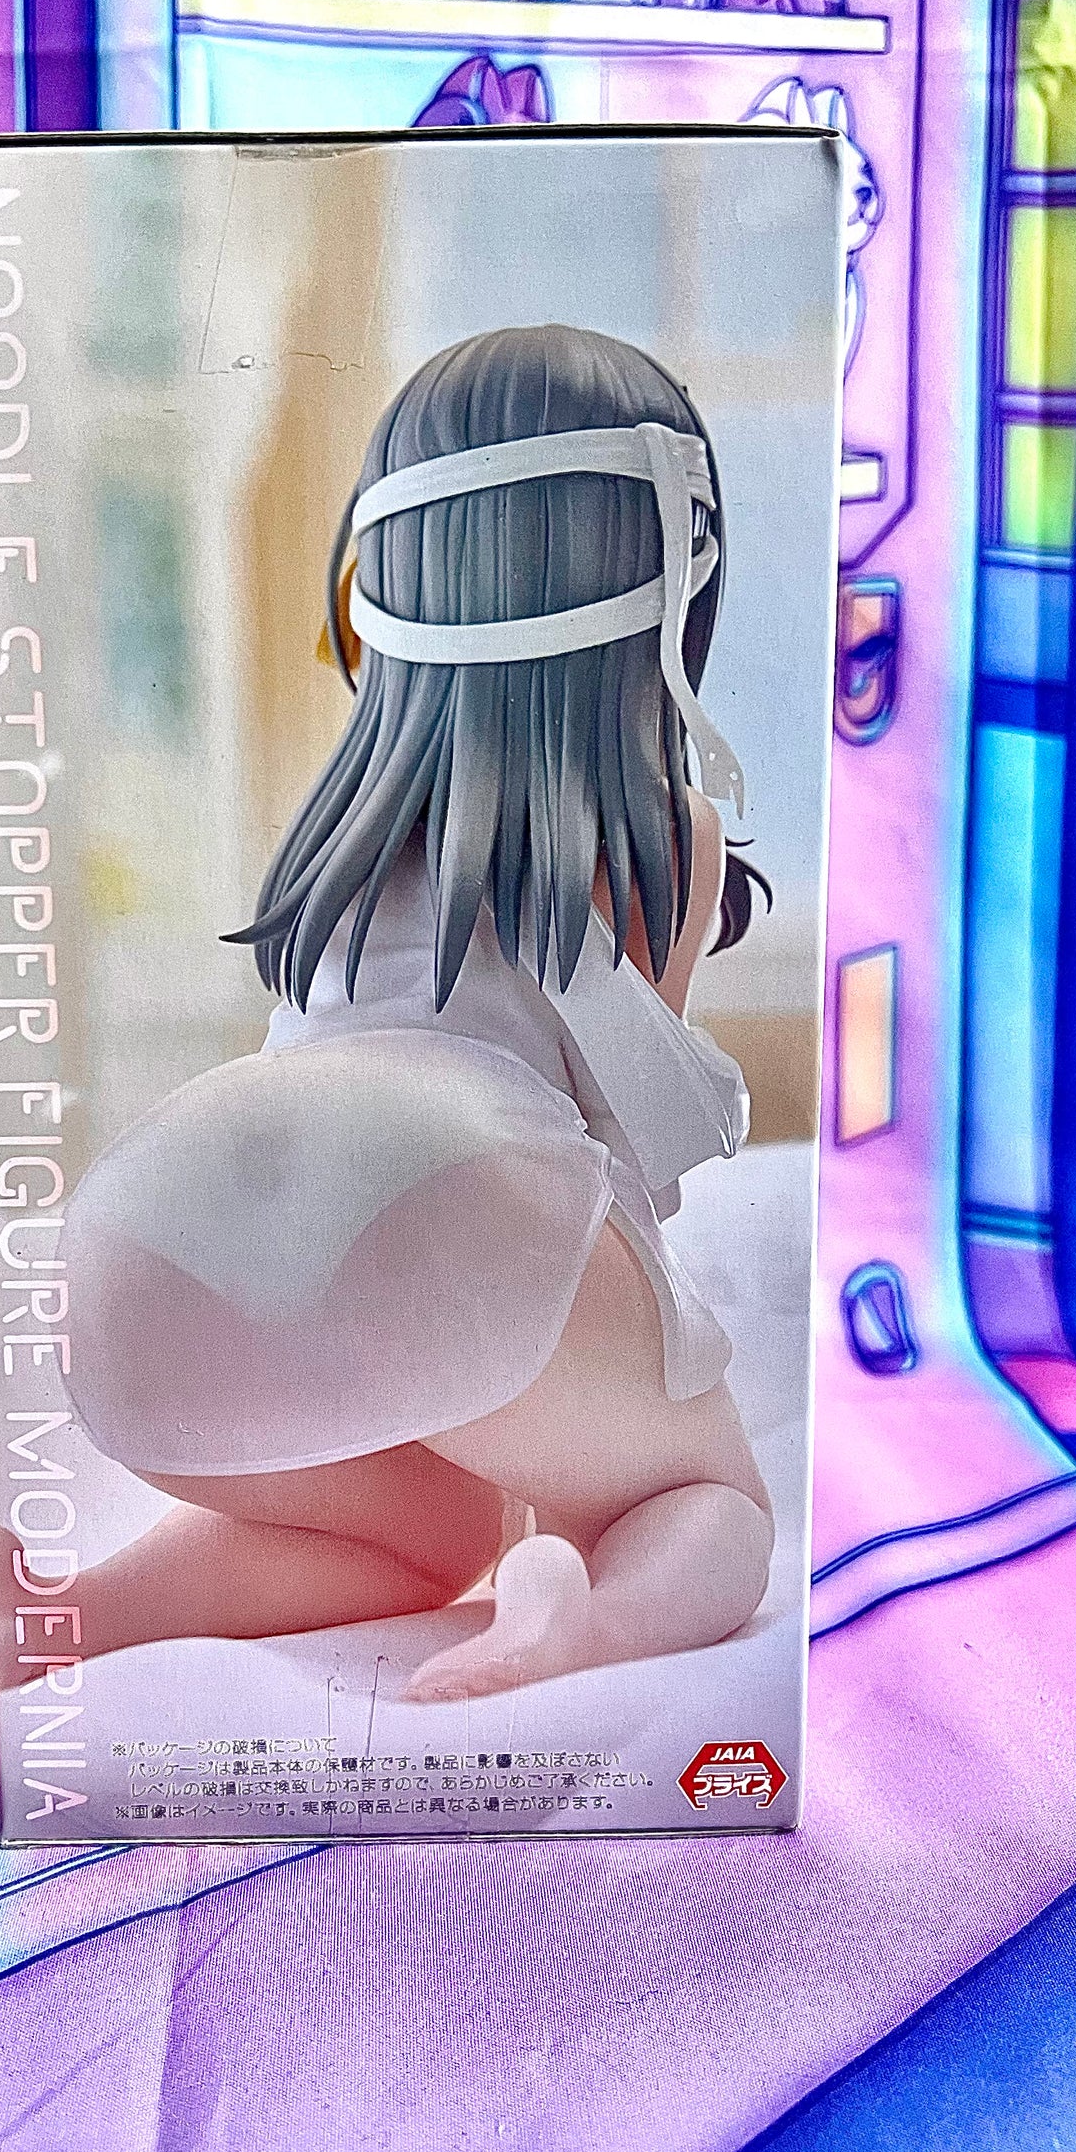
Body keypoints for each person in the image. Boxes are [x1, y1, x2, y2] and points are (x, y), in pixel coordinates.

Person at [62, 322, 774, 1700]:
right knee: (703, 1498)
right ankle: (582, 1620)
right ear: (674, 576)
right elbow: (630, 1149)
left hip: (149, 1244)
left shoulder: (334, 830)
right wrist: (609, 1403)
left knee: (420, 1538)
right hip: (461, 1191)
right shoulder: (656, 833)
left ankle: (78, 1609)